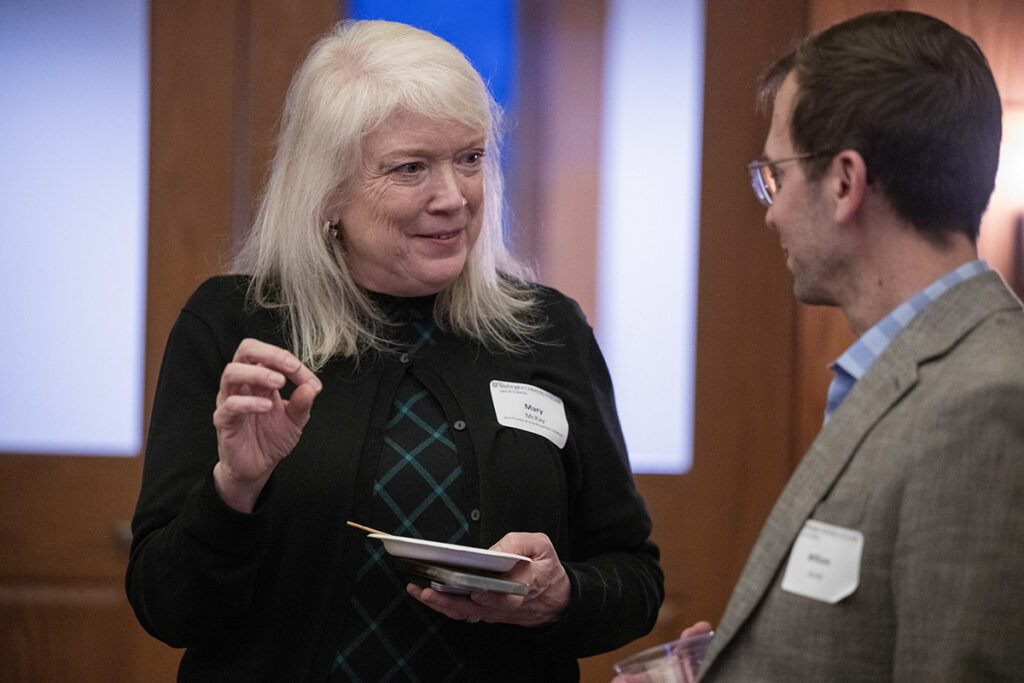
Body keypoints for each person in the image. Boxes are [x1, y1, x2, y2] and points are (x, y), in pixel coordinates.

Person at [125, 19, 663, 681]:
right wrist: (234, 488)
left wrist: (559, 595)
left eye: (469, 158)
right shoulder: (237, 327)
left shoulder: (547, 328)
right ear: (327, 193)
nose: (454, 197)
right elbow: (166, 607)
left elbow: (634, 579)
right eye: (411, 167)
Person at [622, 10, 1024, 682]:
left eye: (775, 175)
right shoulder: (896, 374)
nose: (771, 209)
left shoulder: (987, 400)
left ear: (844, 182)